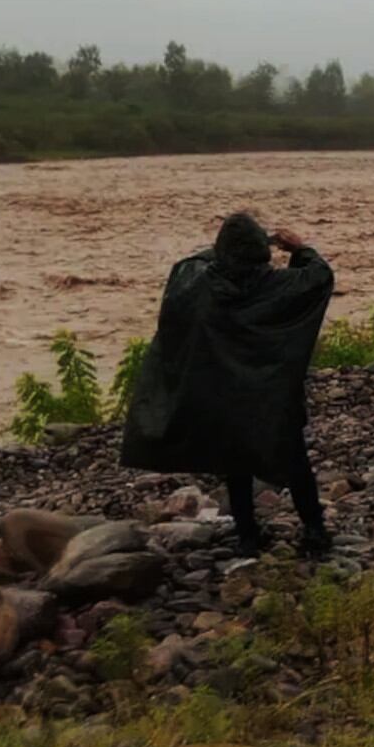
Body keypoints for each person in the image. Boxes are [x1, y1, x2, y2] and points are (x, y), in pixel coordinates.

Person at [121, 212, 336, 559]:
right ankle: (314, 531)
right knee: (295, 461)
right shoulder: (277, 286)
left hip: (224, 398)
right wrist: (300, 248)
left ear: (223, 252)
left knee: (236, 463)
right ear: (260, 252)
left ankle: (248, 535)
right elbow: (319, 276)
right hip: (271, 398)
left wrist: (218, 251)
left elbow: (184, 267)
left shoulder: (199, 286)